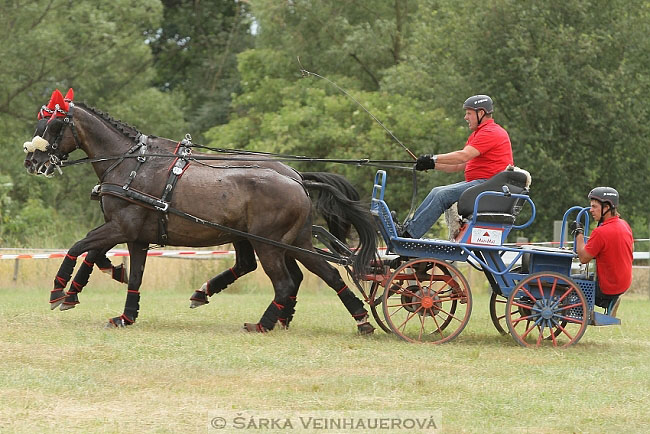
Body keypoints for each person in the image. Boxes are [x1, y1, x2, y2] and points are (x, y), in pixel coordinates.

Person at [398, 95, 514, 238]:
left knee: (442, 195)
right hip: (481, 185)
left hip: (488, 187)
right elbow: (459, 165)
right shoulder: (479, 134)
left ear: (481, 113)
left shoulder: (491, 132)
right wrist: (432, 164)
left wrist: (433, 157)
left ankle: (409, 235)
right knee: (437, 191)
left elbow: (463, 156)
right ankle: (408, 229)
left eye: (469, 113)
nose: (466, 117)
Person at [570, 187, 634, 316]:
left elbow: (583, 258)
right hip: (622, 283)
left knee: (565, 283)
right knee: (572, 280)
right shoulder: (624, 225)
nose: (591, 210)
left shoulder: (601, 232)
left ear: (607, 207)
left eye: (594, 206)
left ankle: (579, 311)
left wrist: (578, 233)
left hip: (606, 287)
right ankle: (607, 302)